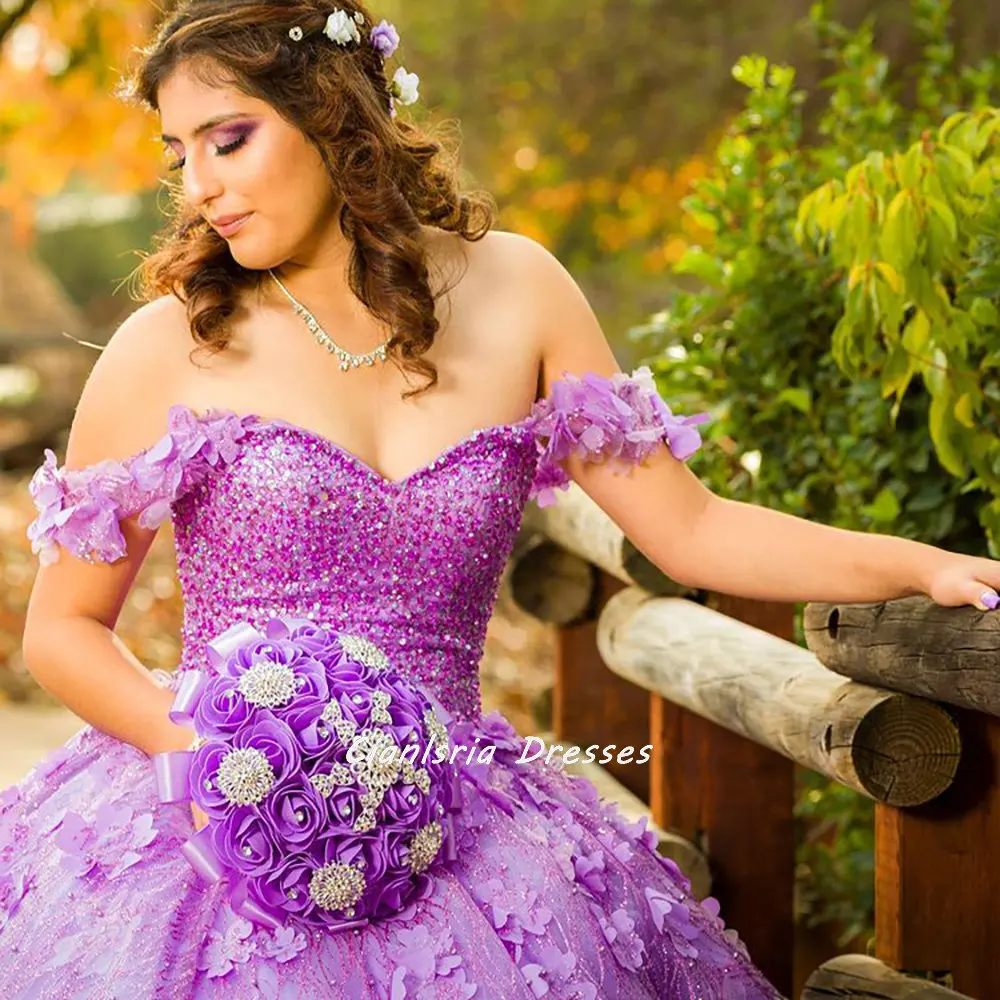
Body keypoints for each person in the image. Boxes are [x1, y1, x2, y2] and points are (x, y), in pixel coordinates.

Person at [2, 1, 998, 997]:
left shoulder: (519, 289)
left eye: (228, 139)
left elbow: (691, 531)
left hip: (461, 810)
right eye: (181, 154)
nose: (202, 185)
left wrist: (913, 564)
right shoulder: (169, 343)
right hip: (220, 814)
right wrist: (225, 762)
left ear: (331, 110)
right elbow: (63, 630)